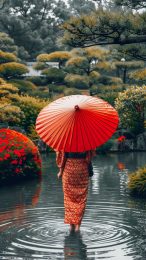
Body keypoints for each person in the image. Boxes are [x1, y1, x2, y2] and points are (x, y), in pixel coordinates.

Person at [56, 150, 95, 232]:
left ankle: (71, 225)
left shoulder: (66, 142)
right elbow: (89, 159)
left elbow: (63, 159)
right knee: (81, 198)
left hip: (69, 171)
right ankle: (77, 226)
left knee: (69, 198)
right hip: (82, 171)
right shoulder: (86, 142)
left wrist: (60, 172)